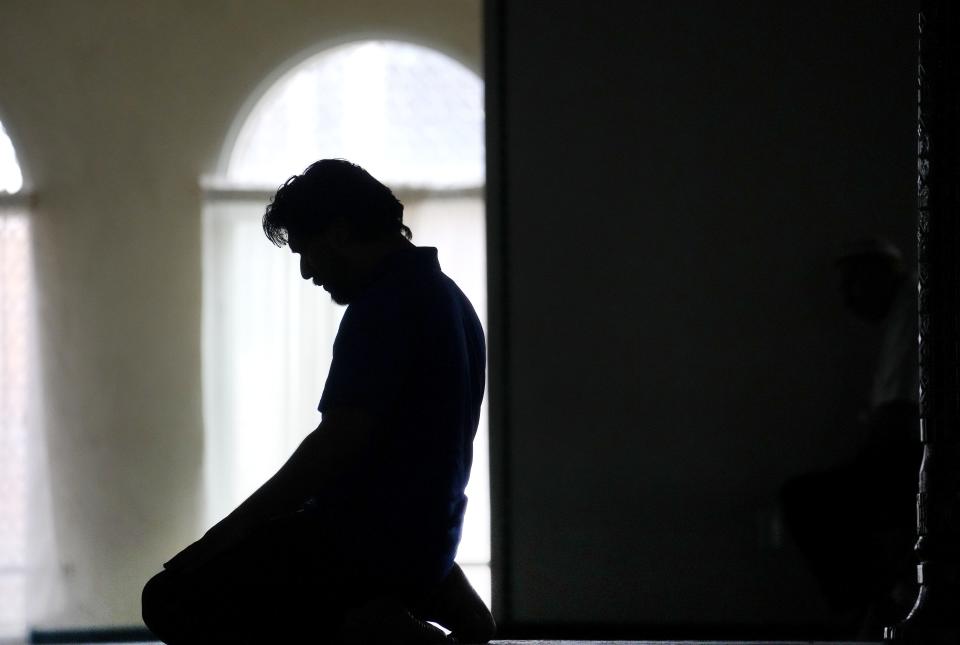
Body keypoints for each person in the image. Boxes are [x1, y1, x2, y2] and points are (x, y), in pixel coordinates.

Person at [141, 159, 496, 644]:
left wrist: (228, 532)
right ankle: (420, 593)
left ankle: (372, 626)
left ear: (341, 233)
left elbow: (336, 447)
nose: (308, 273)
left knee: (168, 598)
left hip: (365, 545)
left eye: (307, 252)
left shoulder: (385, 306)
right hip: (427, 539)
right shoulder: (449, 299)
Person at [780, 238, 921, 637]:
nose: (846, 302)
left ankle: (874, 598)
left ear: (879, 276)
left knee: (805, 500)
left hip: (907, 461)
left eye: (852, 286)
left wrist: (866, 460)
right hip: (904, 456)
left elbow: (896, 414)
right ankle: (878, 597)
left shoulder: (910, 313)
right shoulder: (903, 314)